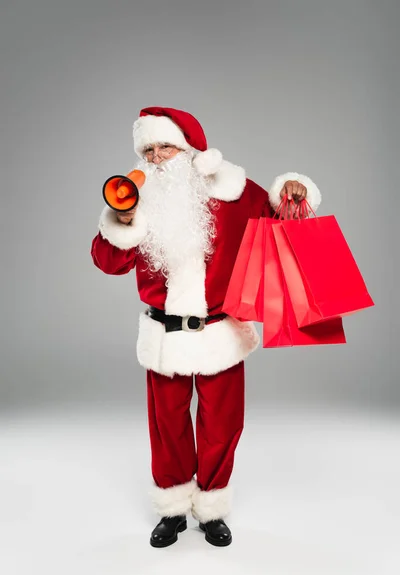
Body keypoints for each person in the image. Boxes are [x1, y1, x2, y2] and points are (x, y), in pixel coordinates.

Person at [90, 106, 322, 548]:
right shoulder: (134, 200)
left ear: (190, 149)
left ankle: (212, 506)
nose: (157, 157)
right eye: (149, 149)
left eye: (167, 147)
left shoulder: (233, 192)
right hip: (165, 332)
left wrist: (294, 192)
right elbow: (107, 262)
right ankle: (174, 509)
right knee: (167, 424)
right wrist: (120, 222)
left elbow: (281, 223)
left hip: (221, 331)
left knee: (222, 424)